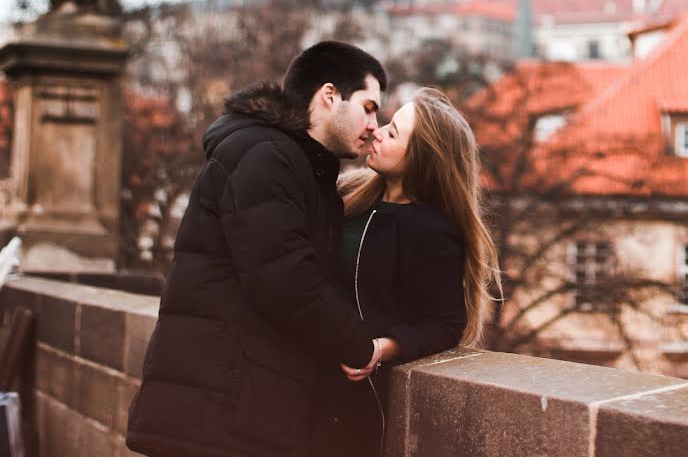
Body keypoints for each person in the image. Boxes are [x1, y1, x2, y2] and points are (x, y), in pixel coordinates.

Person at [126, 41, 388, 457]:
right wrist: (359, 344)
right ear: (330, 95)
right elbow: (285, 279)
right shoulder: (266, 155)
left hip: (232, 406)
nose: (375, 124)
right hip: (219, 412)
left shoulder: (296, 165)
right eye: (369, 107)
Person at [309, 88, 501, 457]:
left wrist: (380, 348)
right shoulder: (347, 195)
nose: (377, 132)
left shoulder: (431, 230)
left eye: (393, 132)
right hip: (303, 378)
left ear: (422, 160)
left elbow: (445, 324)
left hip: (357, 402)